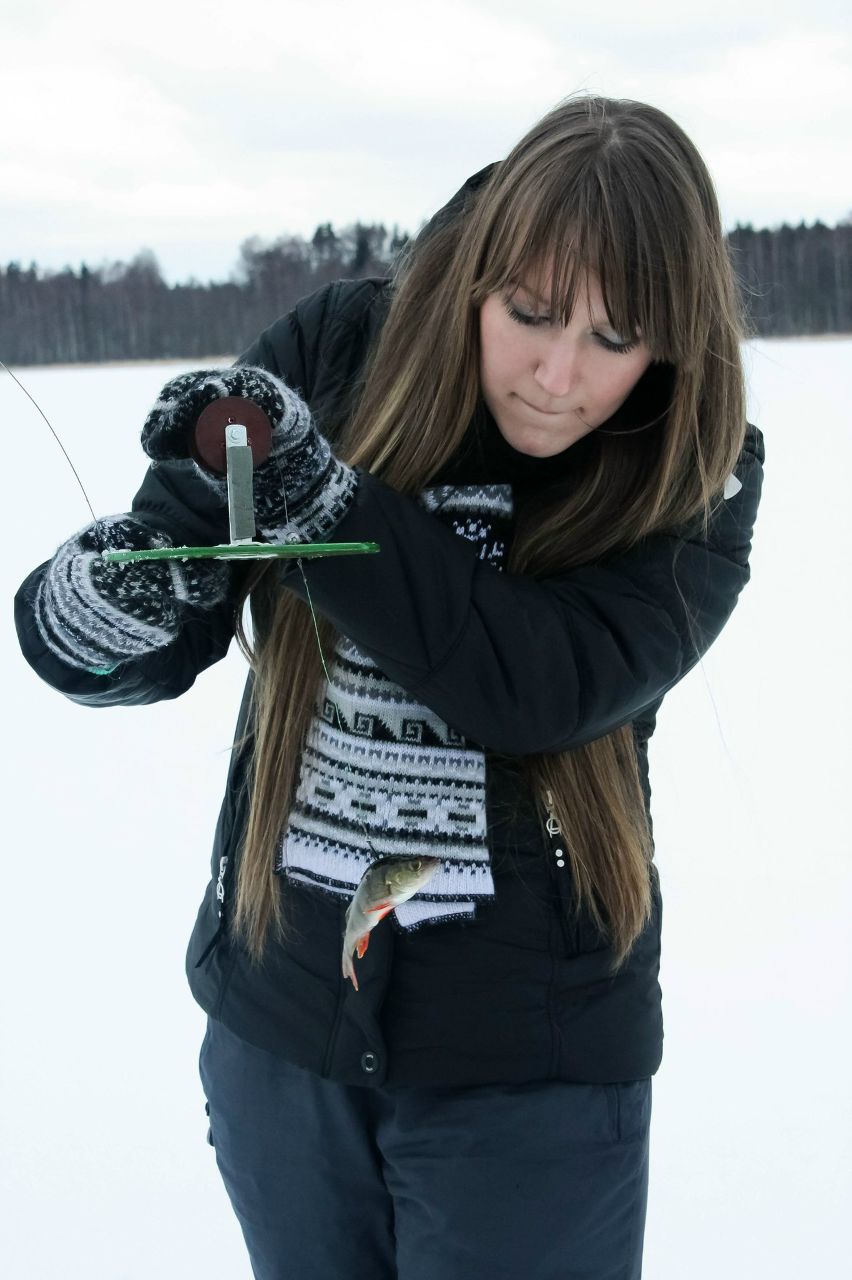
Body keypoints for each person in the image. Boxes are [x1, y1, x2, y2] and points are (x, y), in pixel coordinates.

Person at [14, 92, 765, 1280]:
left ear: (671, 349)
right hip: (282, 1044)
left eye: (615, 341)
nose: (559, 374)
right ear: (480, 270)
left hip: (533, 1089)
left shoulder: (700, 474)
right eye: (529, 312)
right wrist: (97, 615)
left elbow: (537, 684)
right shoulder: (336, 353)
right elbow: (166, 583)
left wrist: (330, 506)